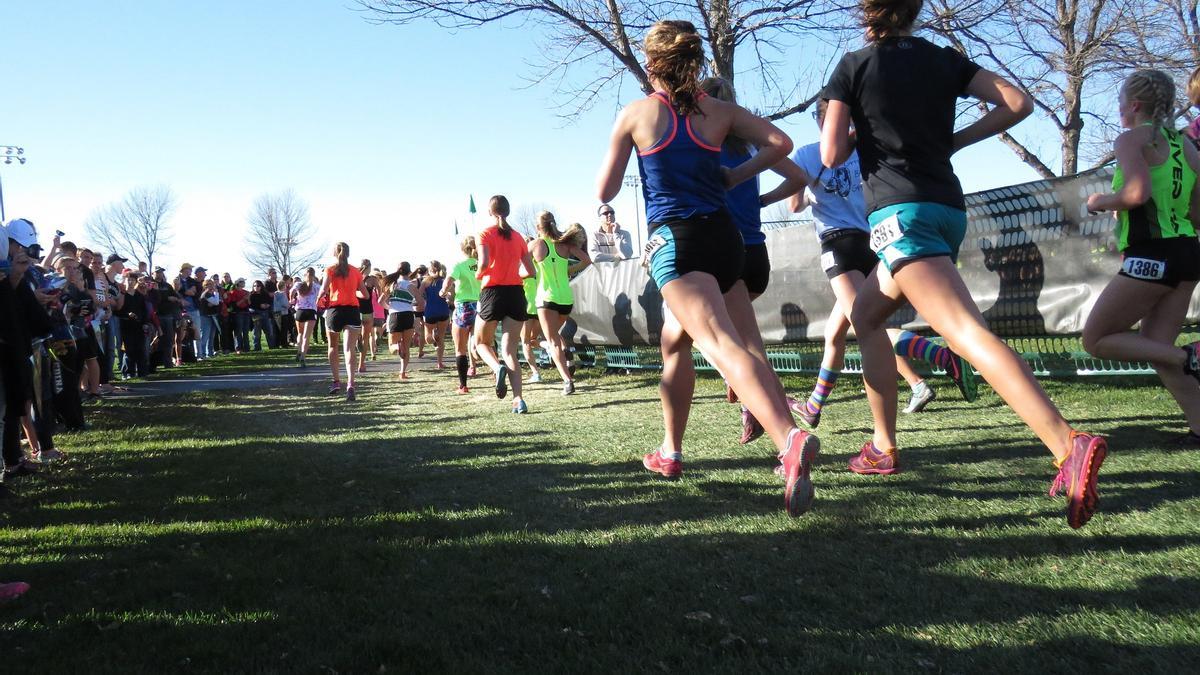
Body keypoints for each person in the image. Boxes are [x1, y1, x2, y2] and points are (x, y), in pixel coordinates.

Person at [821, 0, 1106, 528]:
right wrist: (953, 141)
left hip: (899, 214)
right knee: (865, 317)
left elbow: (832, 152)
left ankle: (1069, 444)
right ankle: (883, 446)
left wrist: (862, 127)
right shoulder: (943, 58)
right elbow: (1018, 104)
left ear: (869, 12)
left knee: (965, 334)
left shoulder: (854, 65)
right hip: (945, 209)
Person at [596, 19, 819, 516]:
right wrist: (734, 175)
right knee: (684, 342)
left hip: (679, 242)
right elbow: (781, 144)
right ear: (693, 61)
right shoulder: (719, 110)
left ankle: (788, 440)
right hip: (726, 242)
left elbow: (605, 192)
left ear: (651, 64)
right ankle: (671, 452)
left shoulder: (635, 114)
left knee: (721, 346)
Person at [786, 98, 977, 430]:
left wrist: (809, 192)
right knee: (836, 332)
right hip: (873, 241)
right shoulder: (867, 150)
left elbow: (793, 206)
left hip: (838, 245)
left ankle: (944, 358)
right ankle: (815, 406)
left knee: (867, 326)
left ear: (822, 121)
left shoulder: (808, 154)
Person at [1082, 69, 1200, 444]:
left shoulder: (1132, 139)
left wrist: (1100, 201)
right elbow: (1198, 214)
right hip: (1187, 255)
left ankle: (1191, 358)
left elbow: (1136, 194)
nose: (1119, 110)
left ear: (1133, 105)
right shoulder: (1187, 146)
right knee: (1157, 350)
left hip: (1153, 256)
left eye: (1119, 103)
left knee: (1096, 340)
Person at [474, 195, 536, 413]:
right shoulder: (519, 237)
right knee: (510, 350)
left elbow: (482, 263)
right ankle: (518, 400)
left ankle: (496, 366)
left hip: (492, 292)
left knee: (481, 342)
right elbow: (530, 271)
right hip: (516, 294)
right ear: (508, 211)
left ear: (490, 211)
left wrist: (480, 274)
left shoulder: (484, 234)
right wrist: (512, 274)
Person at [530, 211, 591, 394]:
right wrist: (569, 270)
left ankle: (567, 380)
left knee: (552, 341)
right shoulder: (564, 244)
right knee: (554, 337)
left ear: (538, 227)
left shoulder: (535, 244)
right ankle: (566, 354)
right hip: (565, 299)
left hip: (546, 298)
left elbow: (519, 264)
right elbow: (587, 261)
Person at [318, 242, 368, 401]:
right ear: (348, 253)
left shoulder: (330, 270)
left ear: (334, 253)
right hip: (352, 311)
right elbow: (365, 295)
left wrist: (318, 299)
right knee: (349, 349)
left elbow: (323, 289)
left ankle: (336, 381)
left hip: (335, 311)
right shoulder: (355, 271)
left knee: (333, 346)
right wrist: (354, 293)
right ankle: (351, 383)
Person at [443, 236, 481, 393]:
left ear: (462, 249)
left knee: (460, 349)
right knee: (483, 342)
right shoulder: (481, 264)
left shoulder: (459, 265)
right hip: (481, 304)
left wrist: (442, 291)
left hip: (463, 306)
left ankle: (463, 386)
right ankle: (494, 369)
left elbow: (448, 280)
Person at [383, 262, 420, 380]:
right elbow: (421, 302)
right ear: (409, 272)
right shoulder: (410, 285)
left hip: (394, 315)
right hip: (408, 315)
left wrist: (390, 308)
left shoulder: (392, 285)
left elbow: (380, 301)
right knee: (406, 346)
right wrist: (412, 303)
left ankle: (398, 347)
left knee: (391, 347)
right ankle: (402, 373)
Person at [420, 261, 451, 370]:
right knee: (441, 338)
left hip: (430, 311)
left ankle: (433, 337)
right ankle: (440, 363)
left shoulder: (425, 282)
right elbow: (450, 296)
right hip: (443, 310)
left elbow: (419, 295)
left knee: (428, 338)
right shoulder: (444, 281)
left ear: (430, 270)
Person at [519, 256, 543, 384]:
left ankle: (536, 373)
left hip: (527, 307)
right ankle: (550, 348)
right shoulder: (541, 266)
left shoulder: (523, 268)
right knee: (533, 340)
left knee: (526, 341)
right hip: (541, 306)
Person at [291, 267, 321, 368]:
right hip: (311, 311)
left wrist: (291, 299)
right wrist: (317, 300)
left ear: (305, 275)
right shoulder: (316, 286)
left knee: (300, 333)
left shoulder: (298, 284)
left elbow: (292, 291)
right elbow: (324, 294)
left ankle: (299, 350)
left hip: (300, 311)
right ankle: (303, 356)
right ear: (314, 275)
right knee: (306, 336)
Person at [153, 267, 182, 367]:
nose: (159, 274)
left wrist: (173, 298)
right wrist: (167, 298)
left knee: (169, 340)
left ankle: (168, 362)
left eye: (161, 272)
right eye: (157, 272)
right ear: (153, 273)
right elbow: (155, 297)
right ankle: (154, 362)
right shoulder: (152, 284)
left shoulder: (167, 285)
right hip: (156, 315)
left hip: (168, 315)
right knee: (156, 340)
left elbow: (176, 296)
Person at [356, 260, 376, 373]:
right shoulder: (372, 279)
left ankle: (357, 337)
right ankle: (361, 364)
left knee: (356, 332)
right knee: (366, 337)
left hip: (356, 310)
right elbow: (379, 291)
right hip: (368, 311)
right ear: (370, 267)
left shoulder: (355, 277)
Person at [226, 278, 251, 353]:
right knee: (238, 331)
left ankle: (247, 348)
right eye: (242, 282)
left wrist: (248, 298)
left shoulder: (246, 292)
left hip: (246, 312)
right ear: (237, 283)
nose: (243, 283)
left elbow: (249, 303)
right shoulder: (233, 292)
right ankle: (238, 348)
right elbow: (234, 305)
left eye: (244, 281)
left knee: (246, 331)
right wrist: (244, 299)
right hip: (238, 313)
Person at [249, 279, 275, 350]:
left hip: (265, 314)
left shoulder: (265, 294)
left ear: (261, 286)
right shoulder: (251, 295)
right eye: (254, 286)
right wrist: (259, 306)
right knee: (257, 333)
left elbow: (270, 301)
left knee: (269, 332)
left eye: (258, 286)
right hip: (256, 314)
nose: (256, 287)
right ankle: (257, 348)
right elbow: (250, 305)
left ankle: (272, 347)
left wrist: (267, 305)